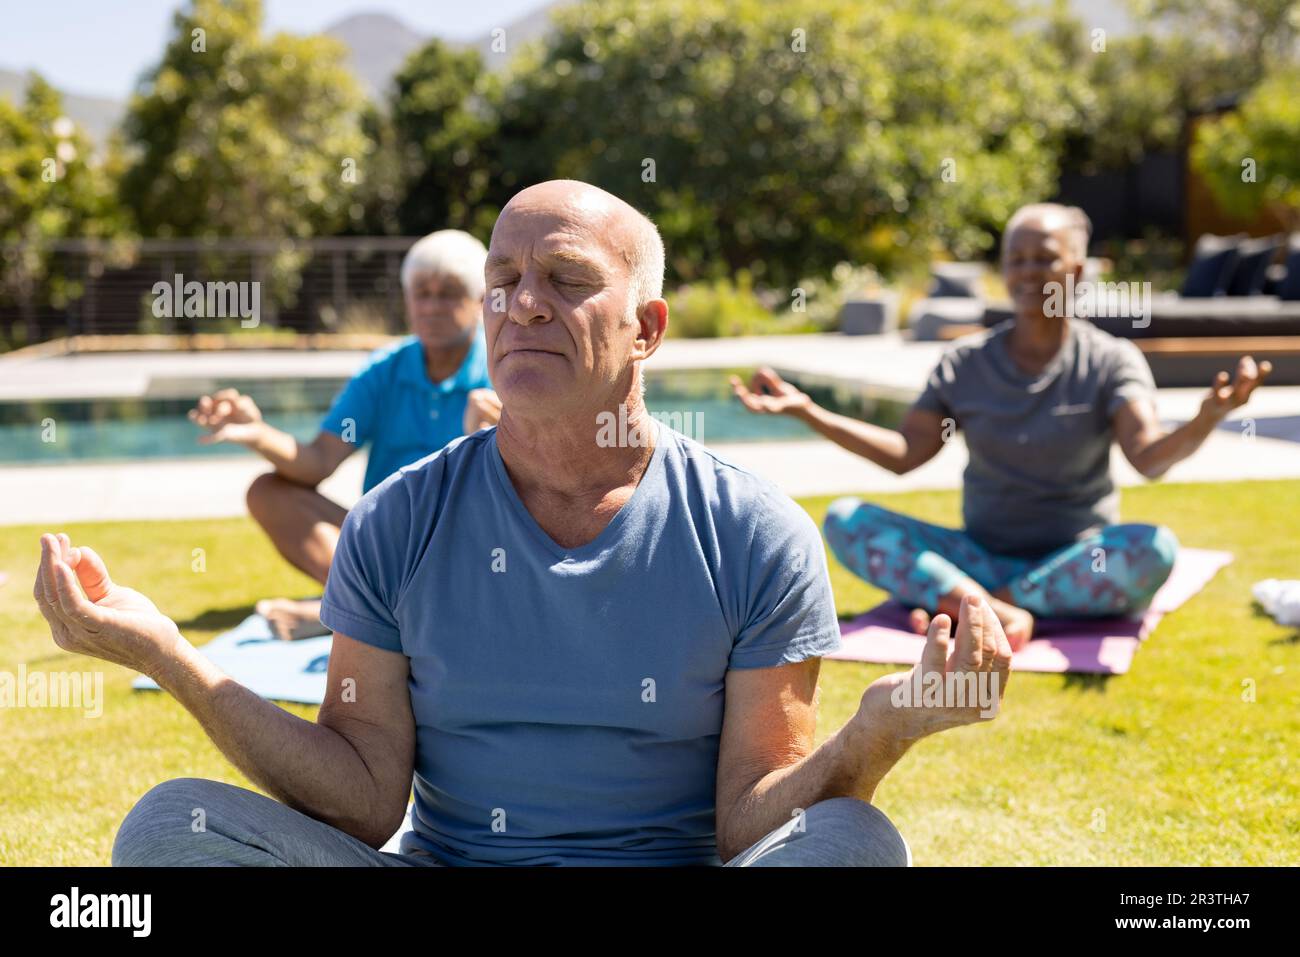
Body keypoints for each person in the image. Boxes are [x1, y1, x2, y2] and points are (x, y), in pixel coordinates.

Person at [35, 180, 1012, 868]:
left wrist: (881, 732)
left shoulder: (754, 532)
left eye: (568, 280)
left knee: (856, 841)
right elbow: (367, 797)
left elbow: (749, 826)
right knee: (173, 828)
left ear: (649, 328)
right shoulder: (395, 521)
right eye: (502, 280)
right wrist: (167, 652)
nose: (521, 305)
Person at [733, 203, 1270, 648]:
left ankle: (978, 608)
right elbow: (905, 454)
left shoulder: (1111, 360)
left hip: (1075, 562)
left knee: (1155, 550)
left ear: (1077, 273)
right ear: (1005, 271)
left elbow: (1149, 458)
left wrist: (1206, 418)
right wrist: (811, 412)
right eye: (1018, 259)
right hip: (977, 558)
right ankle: (995, 607)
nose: (1030, 272)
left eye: (1045, 259)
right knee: (848, 519)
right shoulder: (965, 363)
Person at [187, 230, 495, 639]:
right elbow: (318, 461)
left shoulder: (503, 368)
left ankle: (348, 614)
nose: (432, 306)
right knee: (269, 492)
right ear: (407, 300)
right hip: (386, 543)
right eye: (422, 293)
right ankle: (378, 611)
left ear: (481, 301)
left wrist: (495, 437)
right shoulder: (384, 370)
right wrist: (257, 433)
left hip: (466, 547)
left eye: (449, 293)